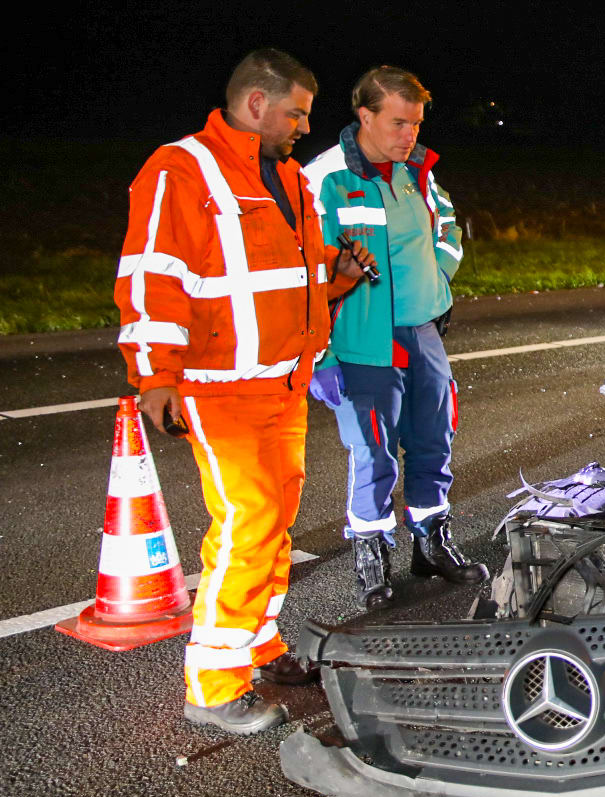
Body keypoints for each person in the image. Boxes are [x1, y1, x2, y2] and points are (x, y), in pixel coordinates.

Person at [116, 49, 372, 734]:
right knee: (248, 520)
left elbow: (285, 275)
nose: (302, 128)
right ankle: (214, 681)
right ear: (256, 104)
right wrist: (155, 375)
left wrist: (337, 276)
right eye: (295, 113)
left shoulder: (287, 178)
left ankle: (260, 646)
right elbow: (153, 275)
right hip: (216, 386)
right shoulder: (182, 168)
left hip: (280, 383)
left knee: (272, 523)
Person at [304, 66, 487, 610]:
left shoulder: (418, 171)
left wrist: (437, 281)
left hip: (422, 330)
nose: (410, 134)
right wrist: (321, 354)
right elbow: (306, 271)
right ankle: (371, 554)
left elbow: (447, 225)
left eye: (416, 123)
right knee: (373, 452)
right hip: (360, 339)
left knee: (434, 439)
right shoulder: (324, 178)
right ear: (365, 115)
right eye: (399, 122)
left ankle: (431, 542)